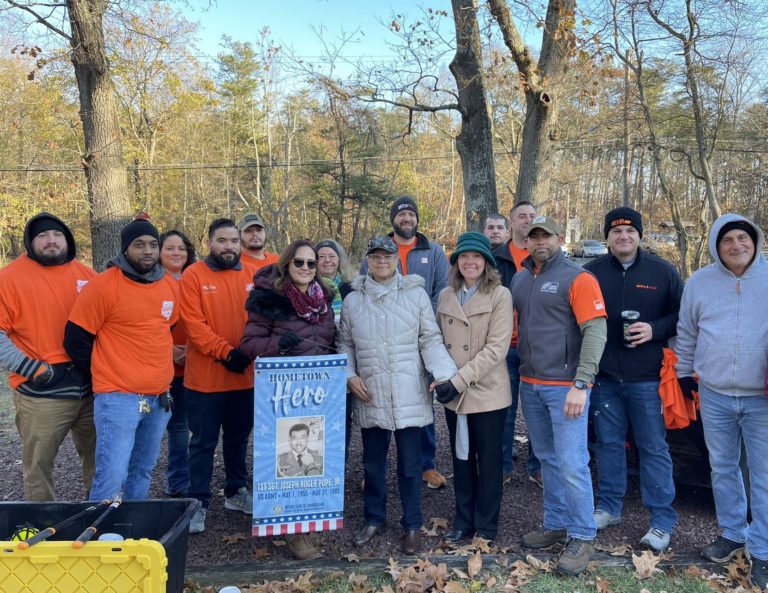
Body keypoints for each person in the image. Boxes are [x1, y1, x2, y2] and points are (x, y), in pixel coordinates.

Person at [339, 235, 457, 555]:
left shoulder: (415, 296)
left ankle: (412, 525)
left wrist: (444, 374)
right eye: (375, 257)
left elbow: (429, 339)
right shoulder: (353, 301)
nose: (381, 262)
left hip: (408, 392)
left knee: (410, 465)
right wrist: (349, 376)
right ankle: (374, 518)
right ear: (368, 261)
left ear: (396, 261)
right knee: (373, 463)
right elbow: (345, 344)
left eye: (387, 257)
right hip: (371, 393)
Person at [675, 213, 768, 590]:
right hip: (713, 393)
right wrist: (683, 371)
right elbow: (687, 330)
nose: (736, 246)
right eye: (727, 240)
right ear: (717, 245)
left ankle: (762, 550)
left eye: (742, 239)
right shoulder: (699, 282)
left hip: (761, 396)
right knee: (723, 468)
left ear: (755, 241)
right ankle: (733, 532)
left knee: (763, 475)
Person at [511, 215, 607, 576]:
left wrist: (582, 384)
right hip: (530, 384)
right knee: (548, 459)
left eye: (545, 236)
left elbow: (596, 333)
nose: (539, 242)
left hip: (566, 387)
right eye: (533, 236)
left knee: (571, 462)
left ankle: (582, 534)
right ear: (526, 241)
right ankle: (555, 524)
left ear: (559, 238)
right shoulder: (521, 278)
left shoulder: (578, 278)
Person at [583, 207, 682, 552]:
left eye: (630, 232)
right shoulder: (591, 273)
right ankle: (609, 507)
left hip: (647, 380)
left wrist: (654, 329)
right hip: (605, 378)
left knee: (653, 447)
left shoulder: (662, 272)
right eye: (616, 232)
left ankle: (661, 519)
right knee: (608, 444)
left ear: (640, 236)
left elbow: (680, 317)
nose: (623, 237)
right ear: (608, 237)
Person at [64, 218, 178, 501]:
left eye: (153, 245)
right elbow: (75, 339)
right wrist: (105, 373)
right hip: (117, 397)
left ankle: (132, 531)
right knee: (112, 473)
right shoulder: (102, 286)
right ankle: (100, 533)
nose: (148, 251)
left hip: (160, 396)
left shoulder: (169, 285)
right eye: (139, 245)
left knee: (142, 470)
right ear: (125, 249)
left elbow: (165, 328)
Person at [240, 239, 336, 560]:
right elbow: (248, 345)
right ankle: (293, 532)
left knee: (315, 457)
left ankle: (309, 523)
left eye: (311, 263)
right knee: (286, 460)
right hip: (281, 394)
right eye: (299, 263)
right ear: (286, 264)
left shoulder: (324, 298)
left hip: (318, 391)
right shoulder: (269, 299)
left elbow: (331, 341)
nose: (306, 268)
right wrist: (279, 343)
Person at [0, 212, 96, 501]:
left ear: (67, 239)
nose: (51, 240)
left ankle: (99, 521)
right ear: (31, 241)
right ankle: (44, 527)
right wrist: (32, 368)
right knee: (38, 465)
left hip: (92, 388)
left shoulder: (88, 276)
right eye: (42, 236)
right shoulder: (9, 279)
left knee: (100, 461)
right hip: (41, 390)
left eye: (57, 235)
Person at [360, 196, 450, 490]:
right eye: (401, 215)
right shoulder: (378, 250)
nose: (406, 219)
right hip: (382, 342)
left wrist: (424, 326)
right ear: (393, 220)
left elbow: (441, 291)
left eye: (411, 214)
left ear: (416, 219)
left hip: (418, 340)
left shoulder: (433, 251)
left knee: (420, 403)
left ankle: (426, 464)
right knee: (381, 402)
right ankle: (377, 467)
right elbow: (365, 289)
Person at [435, 232, 513, 544]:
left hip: (487, 392)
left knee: (490, 461)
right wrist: (441, 377)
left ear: (486, 262)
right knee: (461, 460)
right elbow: (438, 341)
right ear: (456, 263)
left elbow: (497, 349)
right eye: (464, 257)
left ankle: (487, 525)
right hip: (454, 394)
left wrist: (457, 381)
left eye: (477, 257)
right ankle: (463, 520)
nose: (470, 262)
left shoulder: (500, 295)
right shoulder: (445, 295)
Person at [180, 218, 257, 534]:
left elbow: (263, 318)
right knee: (202, 443)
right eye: (222, 241)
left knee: (238, 439)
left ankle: (236, 491)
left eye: (234, 241)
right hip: (206, 380)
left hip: (245, 377)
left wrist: (248, 352)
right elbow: (194, 327)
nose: (229, 247)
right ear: (209, 243)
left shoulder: (252, 275)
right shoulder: (193, 275)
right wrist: (227, 353)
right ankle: (197, 502)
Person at [493, 201, 541, 487]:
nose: (527, 220)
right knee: (505, 407)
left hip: (538, 346)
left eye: (532, 216)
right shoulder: (496, 257)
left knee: (537, 409)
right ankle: (503, 464)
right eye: (522, 216)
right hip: (505, 344)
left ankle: (538, 464)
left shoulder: (545, 255)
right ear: (512, 223)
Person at [159, 230, 197, 498]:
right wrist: (167, 349)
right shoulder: (152, 281)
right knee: (170, 428)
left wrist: (192, 350)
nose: (176, 253)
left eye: (181, 248)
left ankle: (184, 481)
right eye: (170, 248)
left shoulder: (194, 279)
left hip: (192, 366)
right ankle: (175, 482)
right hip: (160, 367)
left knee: (185, 428)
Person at [315, 239, 356, 452]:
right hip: (318, 358)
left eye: (331, 256)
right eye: (321, 256)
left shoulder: (351, 287)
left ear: (339, 259)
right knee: (319, 414)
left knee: (344, 415)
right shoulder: (308, 286)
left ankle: (340, 462)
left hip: (345, 358)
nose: (327, 260)